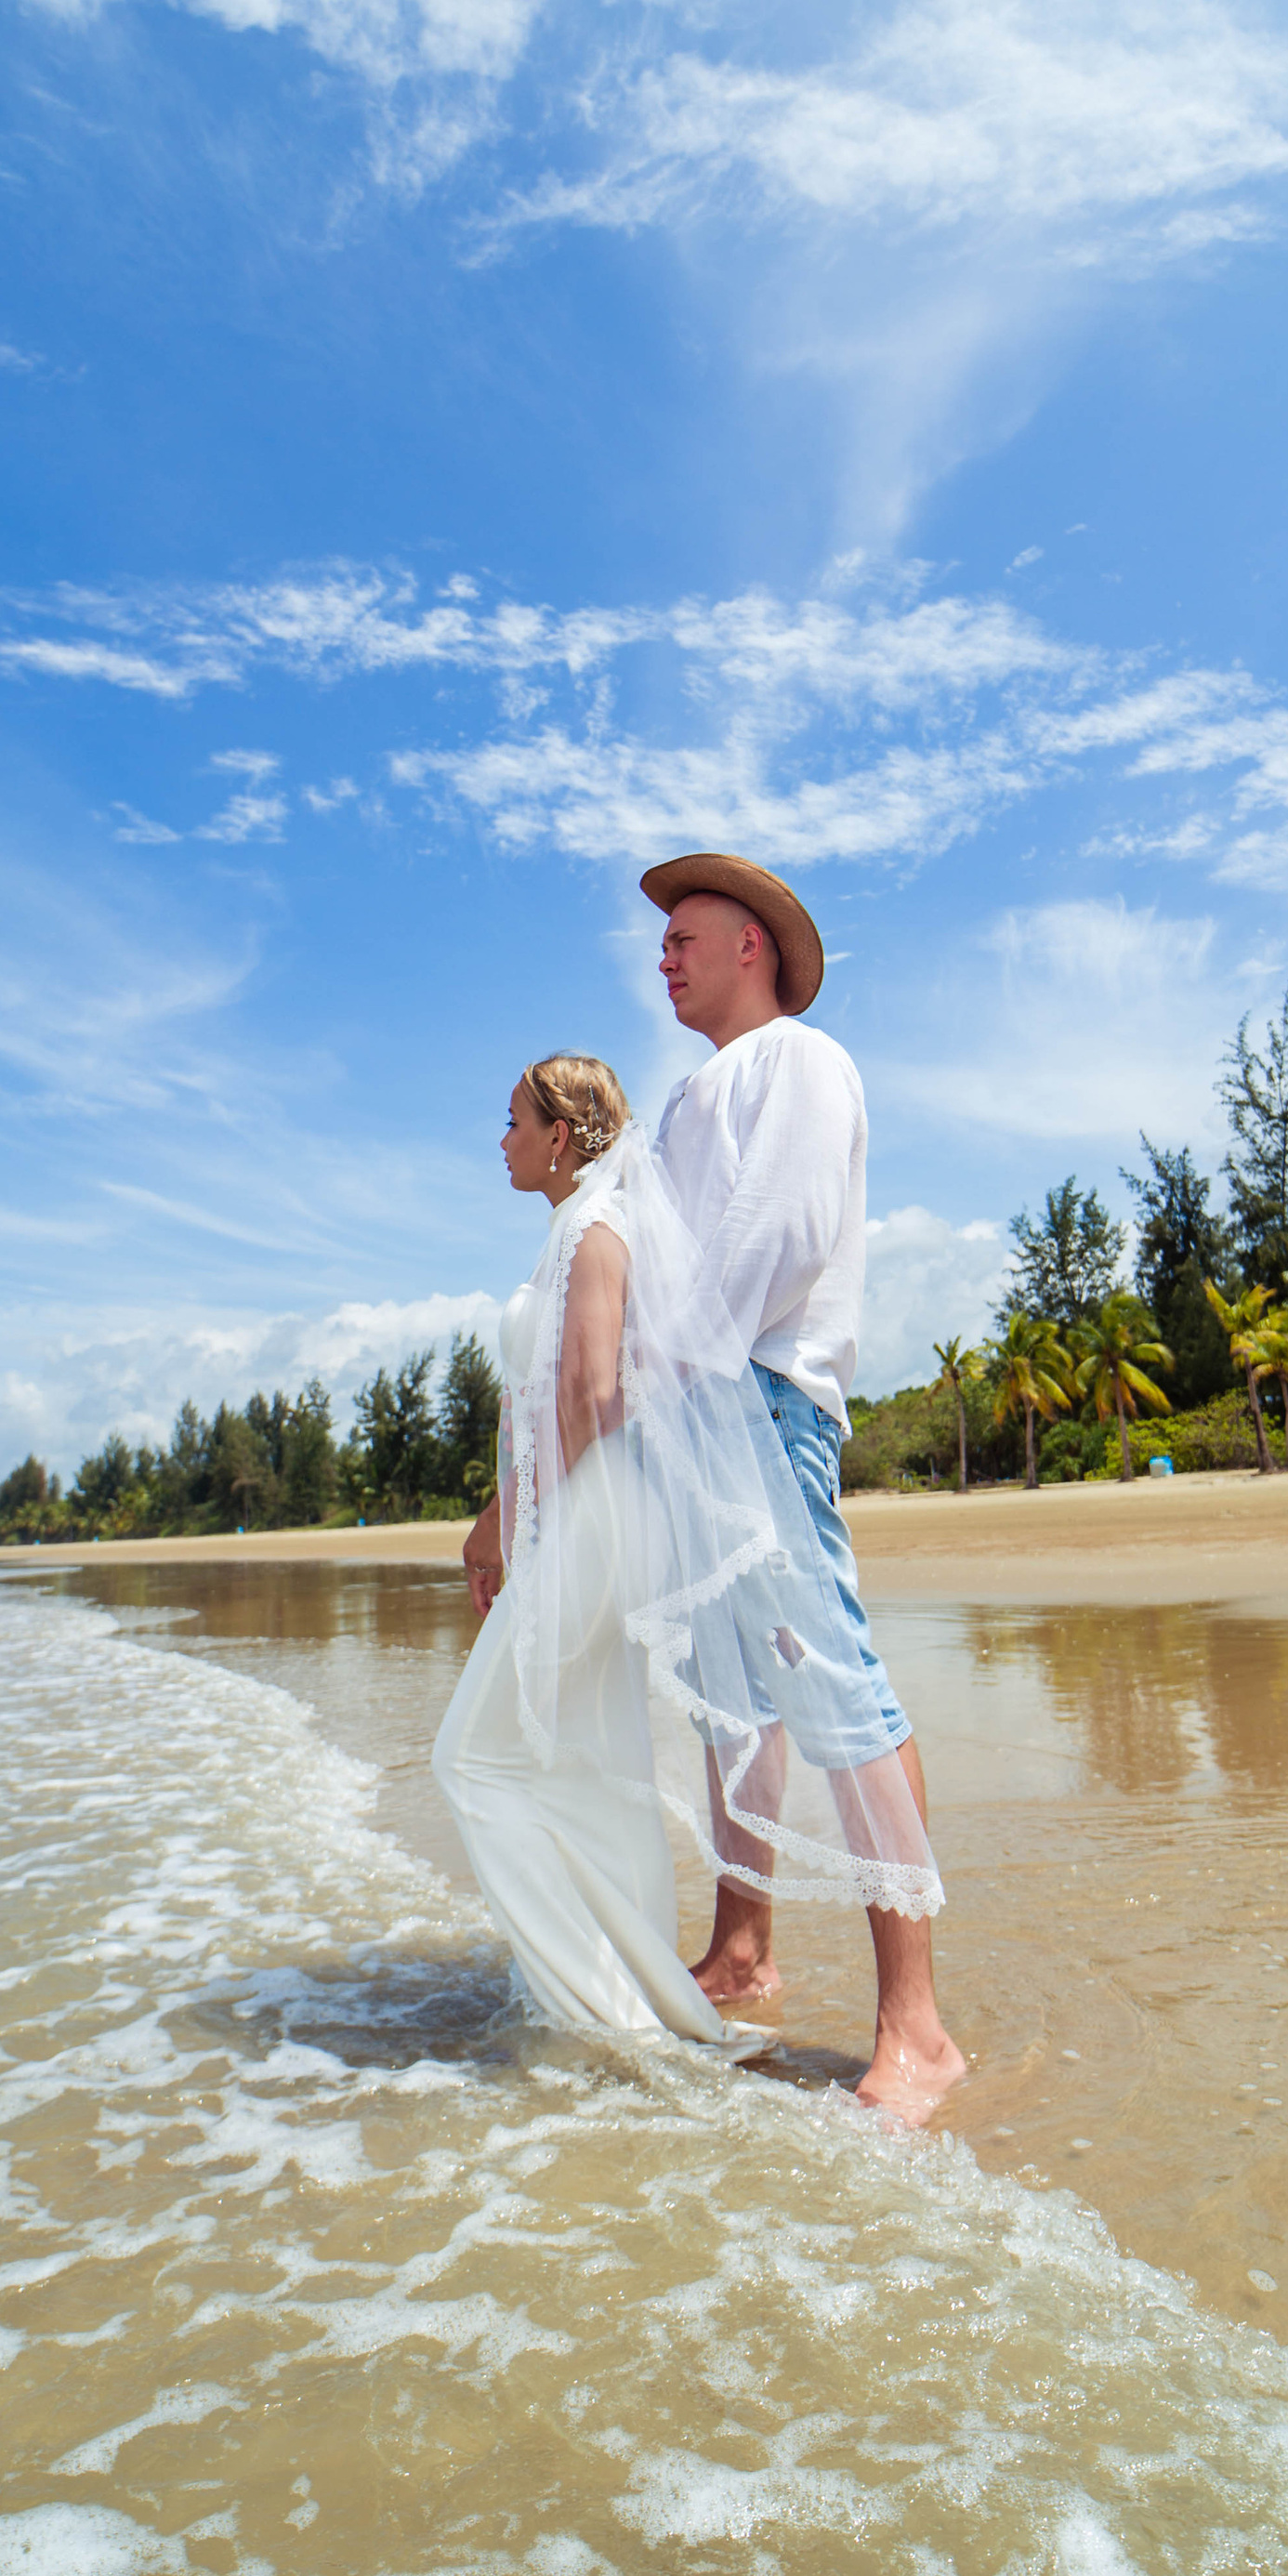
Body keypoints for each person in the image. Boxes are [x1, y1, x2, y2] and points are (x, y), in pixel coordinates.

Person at [440, 1053, 941, 2052]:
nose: (498, 1140)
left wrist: (561, 1541)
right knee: (577, 1742)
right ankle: (625, 1969)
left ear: (558, 1135)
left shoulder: (595, 1228)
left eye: (509, 1121)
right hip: (572, 1517)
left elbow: (590, 1400)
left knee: (475, 1755)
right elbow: (553, 1401)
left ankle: (602, 1991)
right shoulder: (574, 1229)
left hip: (589, 1517)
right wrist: (503, 1525)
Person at [641, 851, 966, 2122]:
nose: (663, 956)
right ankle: (743, 1949)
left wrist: (673, 1372)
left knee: (831, 1682)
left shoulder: (805, 1062)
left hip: (763, 1396)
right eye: (661, 941)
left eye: (685, 936)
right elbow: (662, 1258)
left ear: (752, 949)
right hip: (690, 1408)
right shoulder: (682, 1100)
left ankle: (918, 2027)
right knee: (733, 1702)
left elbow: (772, 1235)